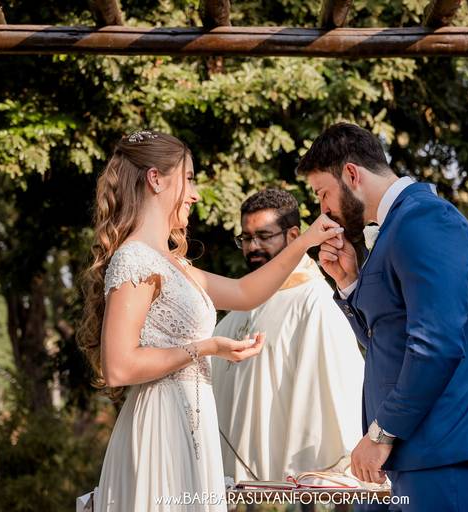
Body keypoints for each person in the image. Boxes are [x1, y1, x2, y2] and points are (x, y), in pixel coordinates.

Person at [77, 130, 343, 511]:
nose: (195, 194)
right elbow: (118, 367)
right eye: (188, 178)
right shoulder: (133, 259)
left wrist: (306, 241)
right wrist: (206, 348)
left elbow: (246, 292)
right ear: (155, 180)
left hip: (193, 427)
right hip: (160, 428)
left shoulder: (176, 265)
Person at [296, 123, 468, 511]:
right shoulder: (395, 228)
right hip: (408, 455)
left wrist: (382, 432)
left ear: (351, 174)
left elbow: (437, 345)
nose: (324, 210)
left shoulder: (426, 220)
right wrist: (348, 283)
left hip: (445, 449)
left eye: (323, 193)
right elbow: (386, 341)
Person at [212, 188, 364, 482]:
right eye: (246, 238)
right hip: (233, 486)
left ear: (294, 236)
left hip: (293, 485)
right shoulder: (235, 313)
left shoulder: (315, 302)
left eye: (264, 236)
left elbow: (336, 401)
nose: (253, 247)